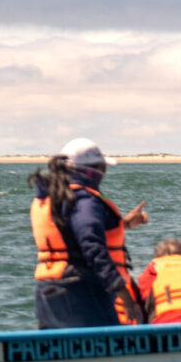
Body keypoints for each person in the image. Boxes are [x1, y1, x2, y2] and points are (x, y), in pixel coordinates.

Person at [28, 138, 149, 328]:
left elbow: (69, 232)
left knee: (60, 354)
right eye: (103, 167)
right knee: (109, 350)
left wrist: (121, 224)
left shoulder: (51, 196)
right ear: (95, 168)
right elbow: (92, 247)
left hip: (47, 291)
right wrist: (123, 294)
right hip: (79, 290)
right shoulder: (84, 200)